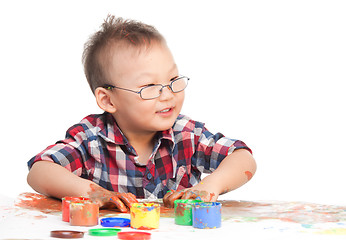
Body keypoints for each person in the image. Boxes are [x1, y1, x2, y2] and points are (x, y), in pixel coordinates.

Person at [27, 15, 256, 212]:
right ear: (107, 100)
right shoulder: (91, 139)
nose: (167, 95)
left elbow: (243, 158)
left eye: (173, 80)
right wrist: (93, 193)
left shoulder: (186, 134)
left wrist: (208, 186)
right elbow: (39, 171)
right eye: (150, 87)